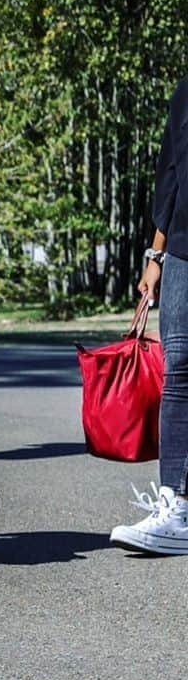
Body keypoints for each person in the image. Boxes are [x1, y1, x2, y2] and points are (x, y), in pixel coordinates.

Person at [110, 77, 188, 554]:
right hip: (183, 248)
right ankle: (176, 506)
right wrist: (155, 256)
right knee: (178, 368)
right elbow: (171, 174)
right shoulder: (185, 92)